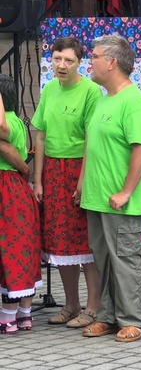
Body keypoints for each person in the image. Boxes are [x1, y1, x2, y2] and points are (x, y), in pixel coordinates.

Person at [78, 33, 141, 343]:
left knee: (124, 258)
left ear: (111, 62)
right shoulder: (104, 98)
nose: (89, 63)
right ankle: (108, 317)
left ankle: (133, 320)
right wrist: (83, 183)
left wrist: (125, 191)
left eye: (94, 57)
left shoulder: (133, 101)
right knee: (104, 260)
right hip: (97, 198)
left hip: (120, 201)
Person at [31, 37, 102, 328]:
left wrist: (82, 181)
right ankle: (70, 304)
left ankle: (93, 307)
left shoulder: (91, 91)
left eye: (68, 60)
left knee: (85, 242)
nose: (62, 65)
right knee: (60, 244)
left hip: (78, 168)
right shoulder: (48, 88)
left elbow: (90, 140)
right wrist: (38, 180)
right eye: (57, 59)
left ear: (79, 62)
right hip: (52, 170)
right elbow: (41, 135)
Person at [0, 73, 42, 334]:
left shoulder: (9, 124)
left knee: (11, 248)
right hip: (15, 190)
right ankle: (24, 314)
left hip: (8, 189)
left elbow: (3, 140)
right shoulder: (17, 121)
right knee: (21, 246)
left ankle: (8, 316)